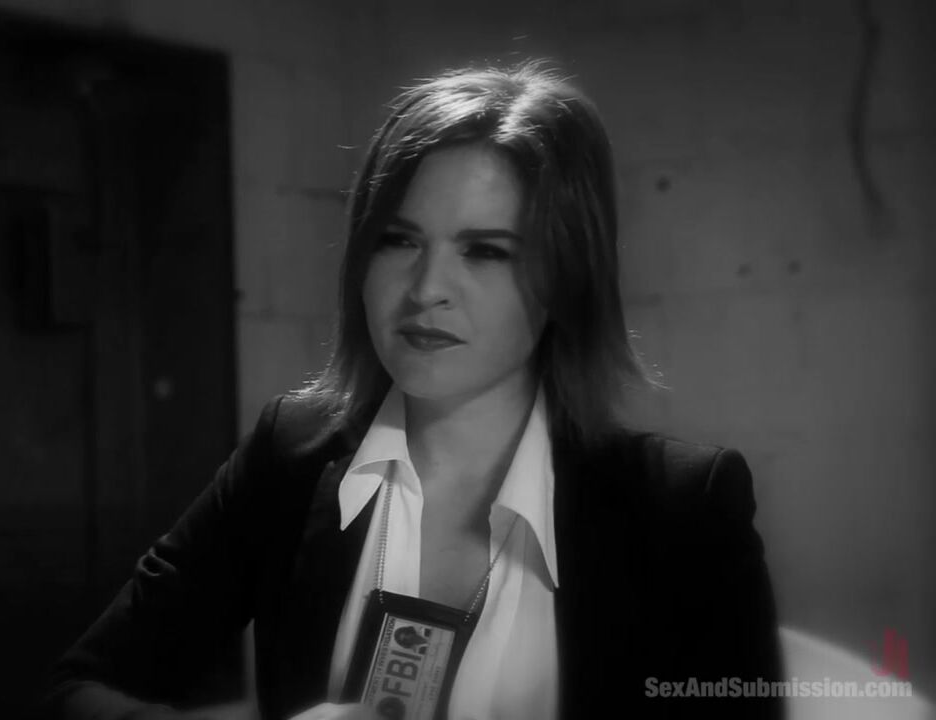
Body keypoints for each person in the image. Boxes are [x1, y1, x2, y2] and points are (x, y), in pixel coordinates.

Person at [44, 61, 783, 720]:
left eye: (484, 251)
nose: (427, 289)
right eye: (398, 241)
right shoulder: (289, 457)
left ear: (567, 277)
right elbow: (77, 688)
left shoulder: (680, 509)